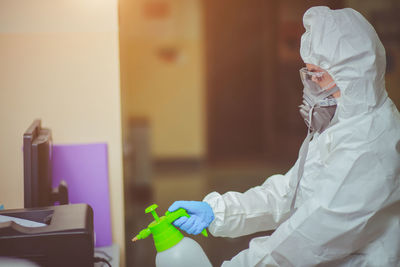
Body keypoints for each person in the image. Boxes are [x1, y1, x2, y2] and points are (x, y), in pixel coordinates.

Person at [168, 6, 400, 266]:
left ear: (353, 77)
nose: (311, 86)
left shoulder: (370, 145)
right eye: (308, 73)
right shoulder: (343, 126)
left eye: (319, 76)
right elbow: (292, 192)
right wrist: (220, 211)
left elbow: (311, 236)